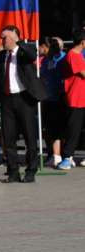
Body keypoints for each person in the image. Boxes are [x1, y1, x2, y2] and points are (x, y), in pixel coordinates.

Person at [0, 25, 46, 183]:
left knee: (29, 136)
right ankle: (13, 171)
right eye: (1, 38)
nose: (2, 41)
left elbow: (32, 55)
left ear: (14, 37)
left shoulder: (24, 51)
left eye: (5, 37)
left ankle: (31, 170)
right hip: (7, 99)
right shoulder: (1, 55)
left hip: (24, 98)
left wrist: (18, 42)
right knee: (8, 137)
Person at [58, 31, 85, 170]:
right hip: (76, 98)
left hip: (82, 98)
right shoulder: (73, 55)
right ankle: (67, 158)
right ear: (83, 42)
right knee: (73, 129)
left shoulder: (78, 55)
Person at [40, 37, 66, 167]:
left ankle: (59, 155)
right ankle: (53, 154)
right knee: (48, 128)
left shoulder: (62, 58)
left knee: (57, 128)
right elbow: (43, 75)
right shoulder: (46, 60)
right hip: (47, 98)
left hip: (59, 97)